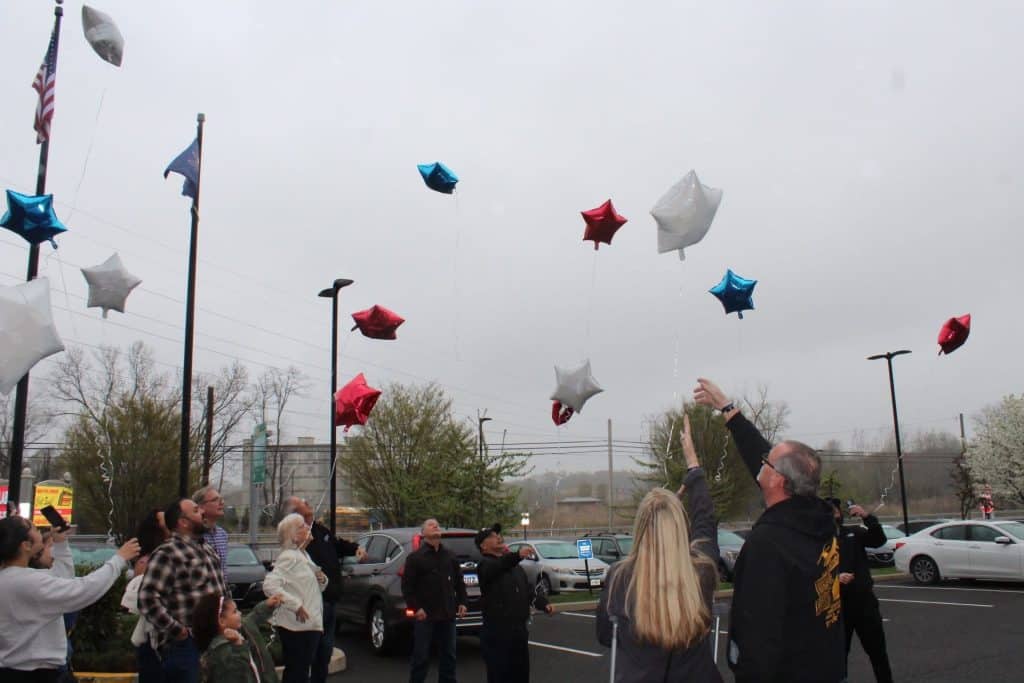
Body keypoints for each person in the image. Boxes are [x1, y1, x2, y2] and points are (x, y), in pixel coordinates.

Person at [693, 378, 844, 683]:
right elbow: (762, 454)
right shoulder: (817, 519)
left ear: (777, 481)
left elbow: (757, 637)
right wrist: (727, 408)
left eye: (768, 462)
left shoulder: (768, 545)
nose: (762, 461)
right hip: (826, 667)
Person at [597, 413, 722, 682]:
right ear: (680, 527)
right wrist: (693, 465)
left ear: (640, 529)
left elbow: (606, 635)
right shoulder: (701, 571)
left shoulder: (619, 576)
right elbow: (705, 523)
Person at [0, 516, 139, 682]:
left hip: (15, 671)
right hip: (36, 675)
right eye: (34, 528)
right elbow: (82, 590)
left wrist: (60, 543)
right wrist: (118, 559)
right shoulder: (28, 582)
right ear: (26, 545)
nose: (40, 530)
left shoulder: (13, 578)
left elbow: (63, 579)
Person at [138, 498, 228, 683]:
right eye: (196, 511)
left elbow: (221, 590)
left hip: (215, 642)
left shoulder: (206, 548)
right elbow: (147, 599)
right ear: (183, 522)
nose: (202, 512)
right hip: (188, 647)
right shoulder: (167, 553)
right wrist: (179, 632)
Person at [283, 497, 366, 683]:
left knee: (324, 652)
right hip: (311, 603)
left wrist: (356, 548)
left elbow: (337, 544)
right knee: (307, 654)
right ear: (297, 513)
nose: (310, 505)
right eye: (305, 503)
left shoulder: (320, 530)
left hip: (330, 601)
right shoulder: (295, 535)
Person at [475, 523, 552, 683]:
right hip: (498, 632)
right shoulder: (485, 564)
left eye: (497, 535)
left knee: (521, 674)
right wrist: (517, 556)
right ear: (483, 546)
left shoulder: (514, 567)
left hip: (518, 631)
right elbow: (498, 567)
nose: (497, 537)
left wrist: (542, 603)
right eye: (491, 536)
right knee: (501, 675)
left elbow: (528, 590)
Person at [827, 498, 894, 683]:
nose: (832, 515)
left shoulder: (854, 534)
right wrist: (835, 579)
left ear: (840, 513)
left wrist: (867, 517)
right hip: (838, 608)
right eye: (828, 512)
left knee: (878, 652)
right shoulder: (819, 542)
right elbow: (812, 572)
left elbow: (879, 540)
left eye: (834, 511)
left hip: (864, 604)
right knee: (838, 656)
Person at [262, 513, 328, 683]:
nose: (307, 527)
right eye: (302, 526)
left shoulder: (303, 555)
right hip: (297, 628)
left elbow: (310, 588)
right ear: (293, 535)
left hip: (308, 626)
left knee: (300, 671)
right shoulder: (289, 556)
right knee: (297, 673)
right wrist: (295, 605)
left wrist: (321, 579)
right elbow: (269, 585)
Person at [401, 518, 468, 683]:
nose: (436, 526)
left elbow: (459, 582)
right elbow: (407, 587)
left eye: (437, 524)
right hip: (426, 616)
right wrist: (416, 608)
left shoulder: (450, 555)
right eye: (431, 525)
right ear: (423, 534)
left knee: (449, 656)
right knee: (421, 657)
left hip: (447, 614)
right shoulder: (415, 558)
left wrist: (462, 602)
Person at [122, 509, 171, 682]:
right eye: (163, 518)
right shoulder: (146, 561)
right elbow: (141, 601)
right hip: (152, 636)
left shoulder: (171, 553)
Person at [194, 592, 284, 683]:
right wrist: (239, 646)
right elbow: (238, 676)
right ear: (222, 621)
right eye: (235, 611)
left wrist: (267, 605)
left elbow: (252, 618)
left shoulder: (242, 629)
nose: (240, 613)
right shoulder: (223, 651)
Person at [193, 486, 229, 578]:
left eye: (221, 499)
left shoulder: (223, 534)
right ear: (201, 506)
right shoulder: (193, 534)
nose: (222, 503)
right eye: (215, 500)